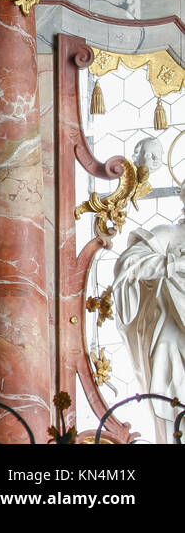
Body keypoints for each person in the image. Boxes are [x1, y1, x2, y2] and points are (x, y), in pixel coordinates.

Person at [110, 183, 185, 442]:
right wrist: (171, 264)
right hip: (173, 331)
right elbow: (129, 264)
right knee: (175, 396)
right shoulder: (169, 234)